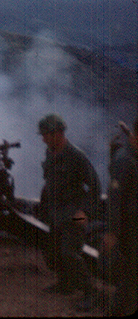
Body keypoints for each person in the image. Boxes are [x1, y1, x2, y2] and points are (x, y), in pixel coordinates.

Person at [35, 113, 101, 312]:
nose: (43, 138)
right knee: (54, 253)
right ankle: (66, 284)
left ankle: (92, 293)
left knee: (70, 253)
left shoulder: (76, 156)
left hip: (74, 215)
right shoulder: (51, 152)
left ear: (57, 133)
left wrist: (83, 215)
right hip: (56, 213)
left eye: (46, 134)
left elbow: (95, 187)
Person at [102, 118, 137, 316]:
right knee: (131, 279)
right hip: (129, 229)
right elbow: (115, 200)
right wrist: (113, 233)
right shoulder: (125, 159)